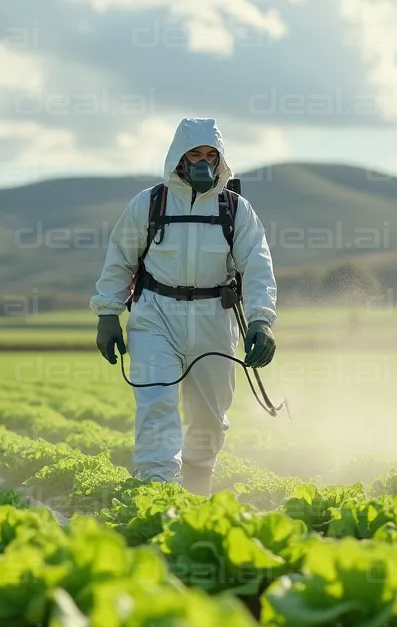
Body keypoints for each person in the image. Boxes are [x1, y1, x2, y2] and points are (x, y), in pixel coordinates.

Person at [91, 117, 278, 495]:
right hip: (155, 316)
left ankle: (197, 482)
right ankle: (157, 491)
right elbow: (120, 260)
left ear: (220, 160)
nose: (203, 162)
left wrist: (261, 320)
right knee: (156, 405)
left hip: (214, 318)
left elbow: (257, 266)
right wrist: (108, 313)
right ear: (179, 157)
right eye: (195, 155)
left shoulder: (235, 209)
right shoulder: (148, 204)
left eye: (210, 155)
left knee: (209, 417)